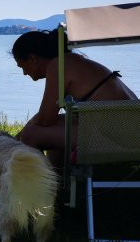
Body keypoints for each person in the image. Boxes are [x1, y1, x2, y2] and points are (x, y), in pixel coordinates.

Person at [12, 29, 136, 160]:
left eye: (22, 66)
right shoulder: (71, 61)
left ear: (33, 58)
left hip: (123, 139)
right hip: (129, 131)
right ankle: (58, 179)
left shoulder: (59, 65)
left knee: (30, 135)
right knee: (54, 130)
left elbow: (45, 119)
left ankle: (35, 180)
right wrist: (20, 133)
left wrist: (21, 135)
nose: (24, 73)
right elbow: (47, 117)